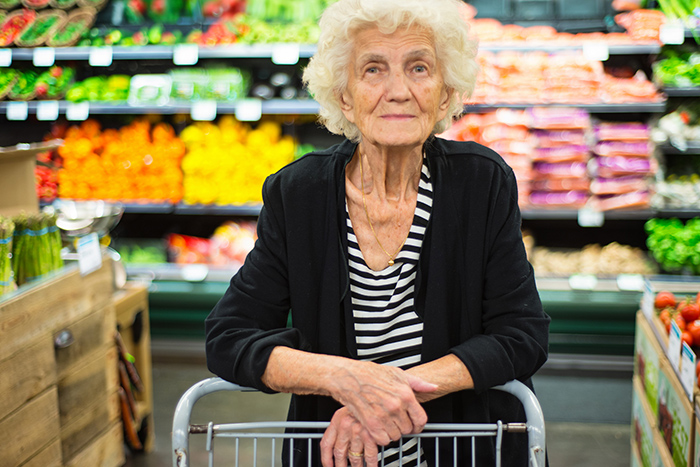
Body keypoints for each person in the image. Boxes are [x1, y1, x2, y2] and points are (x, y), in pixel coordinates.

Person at [205, 0, 550, 465]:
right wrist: (343, 379)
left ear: (445, 93)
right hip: (338, 455)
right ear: (344, 95)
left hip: (465, 450)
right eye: (373, 69)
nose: (398, 91)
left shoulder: (482, 183)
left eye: (419, 68)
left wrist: (387, 396)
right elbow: (228, 336)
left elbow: (521, 334)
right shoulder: (298, 194)